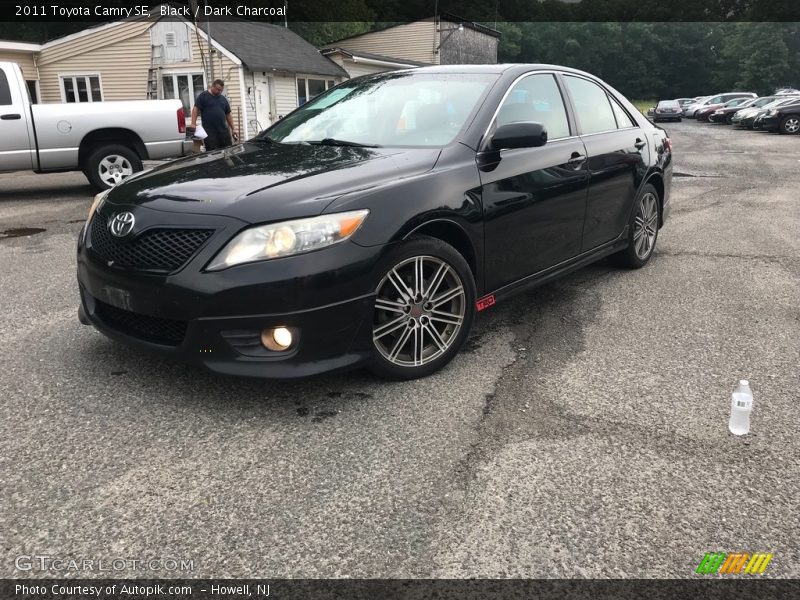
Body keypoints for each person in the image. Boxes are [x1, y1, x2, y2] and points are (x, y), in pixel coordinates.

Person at [190, 79, 239, 150]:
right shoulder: (203, 96)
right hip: (210, 133)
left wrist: (233, 128)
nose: (220, 92)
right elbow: (195, 109)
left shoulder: (223, 99)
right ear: (212, 86)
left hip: (223, 131)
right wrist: (193, 123)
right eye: (218, 90)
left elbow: (228, 114)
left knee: (228, 151)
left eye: (221, 90)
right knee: (213, 154)